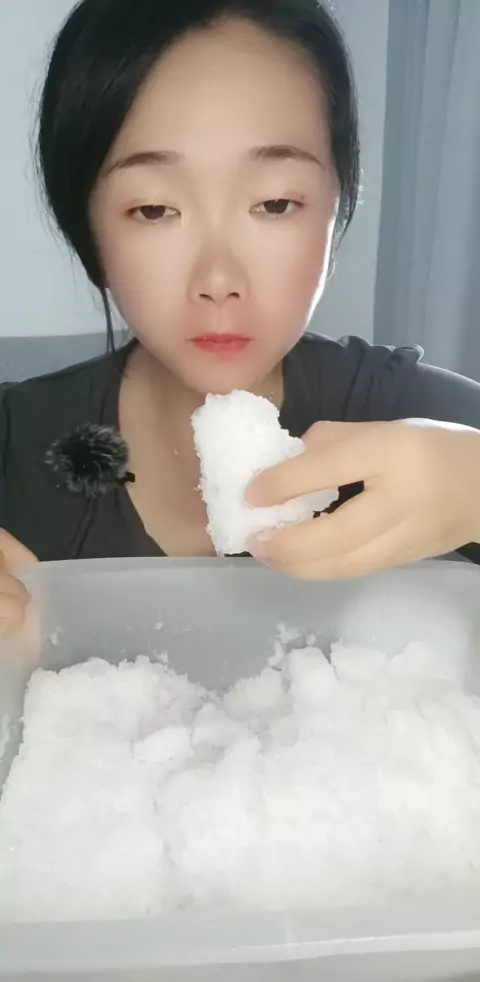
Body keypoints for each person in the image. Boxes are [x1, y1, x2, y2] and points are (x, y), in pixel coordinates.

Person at [1, 0, 480, 635]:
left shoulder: (408, 412)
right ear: (88, 230)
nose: (219, 280)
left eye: (275, 204)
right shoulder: (15, 448)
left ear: (336, 210)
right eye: (154, 210)